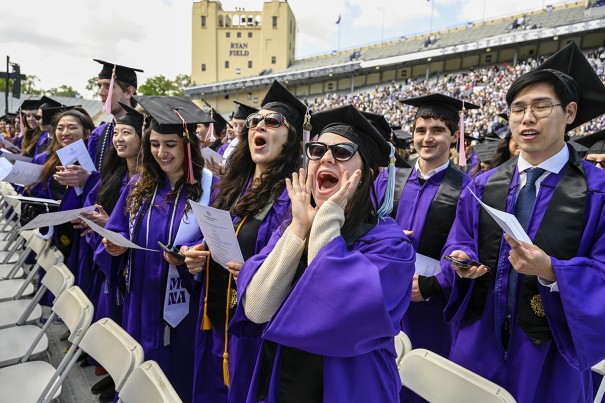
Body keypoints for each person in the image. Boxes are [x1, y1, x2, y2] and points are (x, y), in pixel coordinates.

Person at [442, 41, 605, 402]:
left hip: (551, 351)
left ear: (570, 112)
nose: (526, 118)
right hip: (479, 339)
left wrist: (551, 270)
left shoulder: (598, 191)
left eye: (541, 106)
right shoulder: (483, 185)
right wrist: (460, 257)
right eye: (517, 109)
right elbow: (460, 239)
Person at [229, 104, 415, 403]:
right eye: (316, 150)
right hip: (285, 378)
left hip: (352, 385)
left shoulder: (390, 246)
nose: (326, 157)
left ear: (365, 174)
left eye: (342, 153)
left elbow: (336, 309)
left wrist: (326, 219)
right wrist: (300, 228)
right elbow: (257, 308)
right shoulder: (292, 226)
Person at [183, 80, 307, 403]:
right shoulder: (233, 187)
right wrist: (197, 256)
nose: (258, 127)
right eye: (254, 122)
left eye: (272, 122)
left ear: (292, 139)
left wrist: (254, 271)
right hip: (213, 321)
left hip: (253, 333)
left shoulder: (291, 199)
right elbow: (211, 239)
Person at [100, 95, 212, 402]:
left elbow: (219, 246)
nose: (161, 153)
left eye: (171, 145)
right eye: (154, 144)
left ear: (187, 146)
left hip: (183, 307)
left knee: (176, 374)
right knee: (140, 368)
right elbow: (117, 229)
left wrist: (196, 254)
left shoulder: (211, 189)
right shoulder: (139, 185)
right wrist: (113, 247)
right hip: (140, 299)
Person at [76, 102, 145, 402]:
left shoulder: (144, 181)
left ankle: (125, 381)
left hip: (131, 266)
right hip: (110, 262)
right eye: (116, 132)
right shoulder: (113, 176)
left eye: (126, 132)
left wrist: (109, 224)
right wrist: (96, 224)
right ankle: (117, 376)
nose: (118, 138)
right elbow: (94, 208)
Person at [89, 59, 144, 173]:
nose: (101, 92)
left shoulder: (146, 132)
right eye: (99, 86)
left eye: (108, 86)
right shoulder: (98, 135)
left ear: (128, 92)